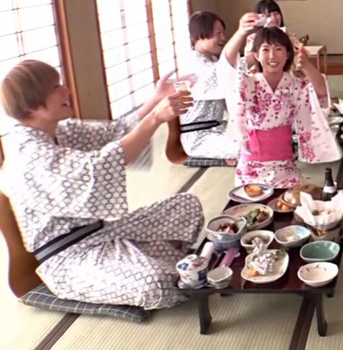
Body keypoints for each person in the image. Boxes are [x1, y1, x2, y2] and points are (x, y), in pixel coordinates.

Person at [0, 60, 203, 309]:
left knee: (187, 205)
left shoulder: (61, 130)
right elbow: (98, 167)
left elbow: (116, 132)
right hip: (69, 258)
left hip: (106, 233)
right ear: (32, 106)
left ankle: (146, 258)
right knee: (157, 283)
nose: (66, 91)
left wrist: (156, 98)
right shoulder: (28, 155)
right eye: (56, 88)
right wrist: (155, 118)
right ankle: (152, 260)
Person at [221, 13, 331, 188]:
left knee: (297, 201)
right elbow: (227, 67)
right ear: (256, 55)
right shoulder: (248, 83)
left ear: (288, 54)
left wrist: (307, 65)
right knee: (254, 202)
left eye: (279, 49)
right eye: (265, 50)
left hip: (284, 168)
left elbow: (321, 93)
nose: (272, 55)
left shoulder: (294, 85)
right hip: (251, 170)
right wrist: (241, 32)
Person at [179, 11, 239, 160]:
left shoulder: (212, 60)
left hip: (219, 128)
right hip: (199, 137)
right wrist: (251, 58)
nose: (223, 38)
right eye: (218, 33)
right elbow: (223, 75)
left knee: (260, 134)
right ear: (200, 34)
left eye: (223, 32)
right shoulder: (192, 63)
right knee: (249, 147)